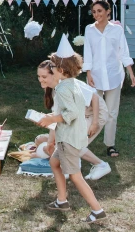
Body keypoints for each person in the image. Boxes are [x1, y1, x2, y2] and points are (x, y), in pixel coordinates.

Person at [38, 34, 107, 226]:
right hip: (70, 137)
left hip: (69, 139)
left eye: (51, 67)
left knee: (76, 177)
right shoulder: (71, 84)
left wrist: (51, 118)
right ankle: (62, 200)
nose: (50, 69)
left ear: (60, 69)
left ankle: (97, 210)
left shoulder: (62, 90)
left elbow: (72, 113)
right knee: (54, 162)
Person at [36, 59, 111, 180]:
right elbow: (58, 118)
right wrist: (50, 141)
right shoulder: (54, 89)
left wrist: (95, 123)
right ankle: (72, 165)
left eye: (44, 76)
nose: (40, 79)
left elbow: (95, 98)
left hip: (96, 113)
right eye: (38, 76)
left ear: (54, 74)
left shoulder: (69, 84)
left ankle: (101, 165)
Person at [83, 0, 135, 157]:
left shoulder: (117, 30)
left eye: (99, 11)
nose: (96, 14)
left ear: (108, 12)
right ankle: (85, 141)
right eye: (94, 12)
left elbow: (123, 52)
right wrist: (88, 73)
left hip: (114, 76)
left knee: (112, 113)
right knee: (92, 111)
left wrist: (130, 73)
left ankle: (110, 145)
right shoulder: (89, 29)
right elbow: (87, 53)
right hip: (95, 77)